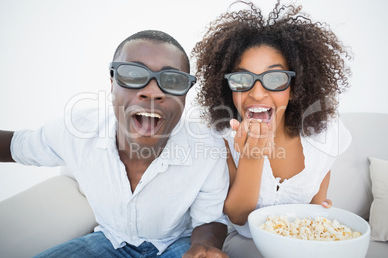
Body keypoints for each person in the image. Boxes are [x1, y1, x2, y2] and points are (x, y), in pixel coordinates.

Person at [0, 30, 230, 258]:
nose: (152, 92)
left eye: (172, 81)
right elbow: (15, 145)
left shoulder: (207, 147)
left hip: (176, 244)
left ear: (185, 95)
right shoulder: (77, 129)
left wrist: (205, 246)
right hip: (110, 240)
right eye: (132, 74)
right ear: (112, 83)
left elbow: (209, 220)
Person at [192, 0, 352, 258]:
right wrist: (252, 157)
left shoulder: (325, 134)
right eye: (242, 79)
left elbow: (316, 202)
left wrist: (319, 214)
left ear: (295, 87)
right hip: (247, 242)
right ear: (228, 88)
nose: (256, 93)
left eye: (275, 78)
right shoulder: (222, 135)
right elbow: (239, 217)